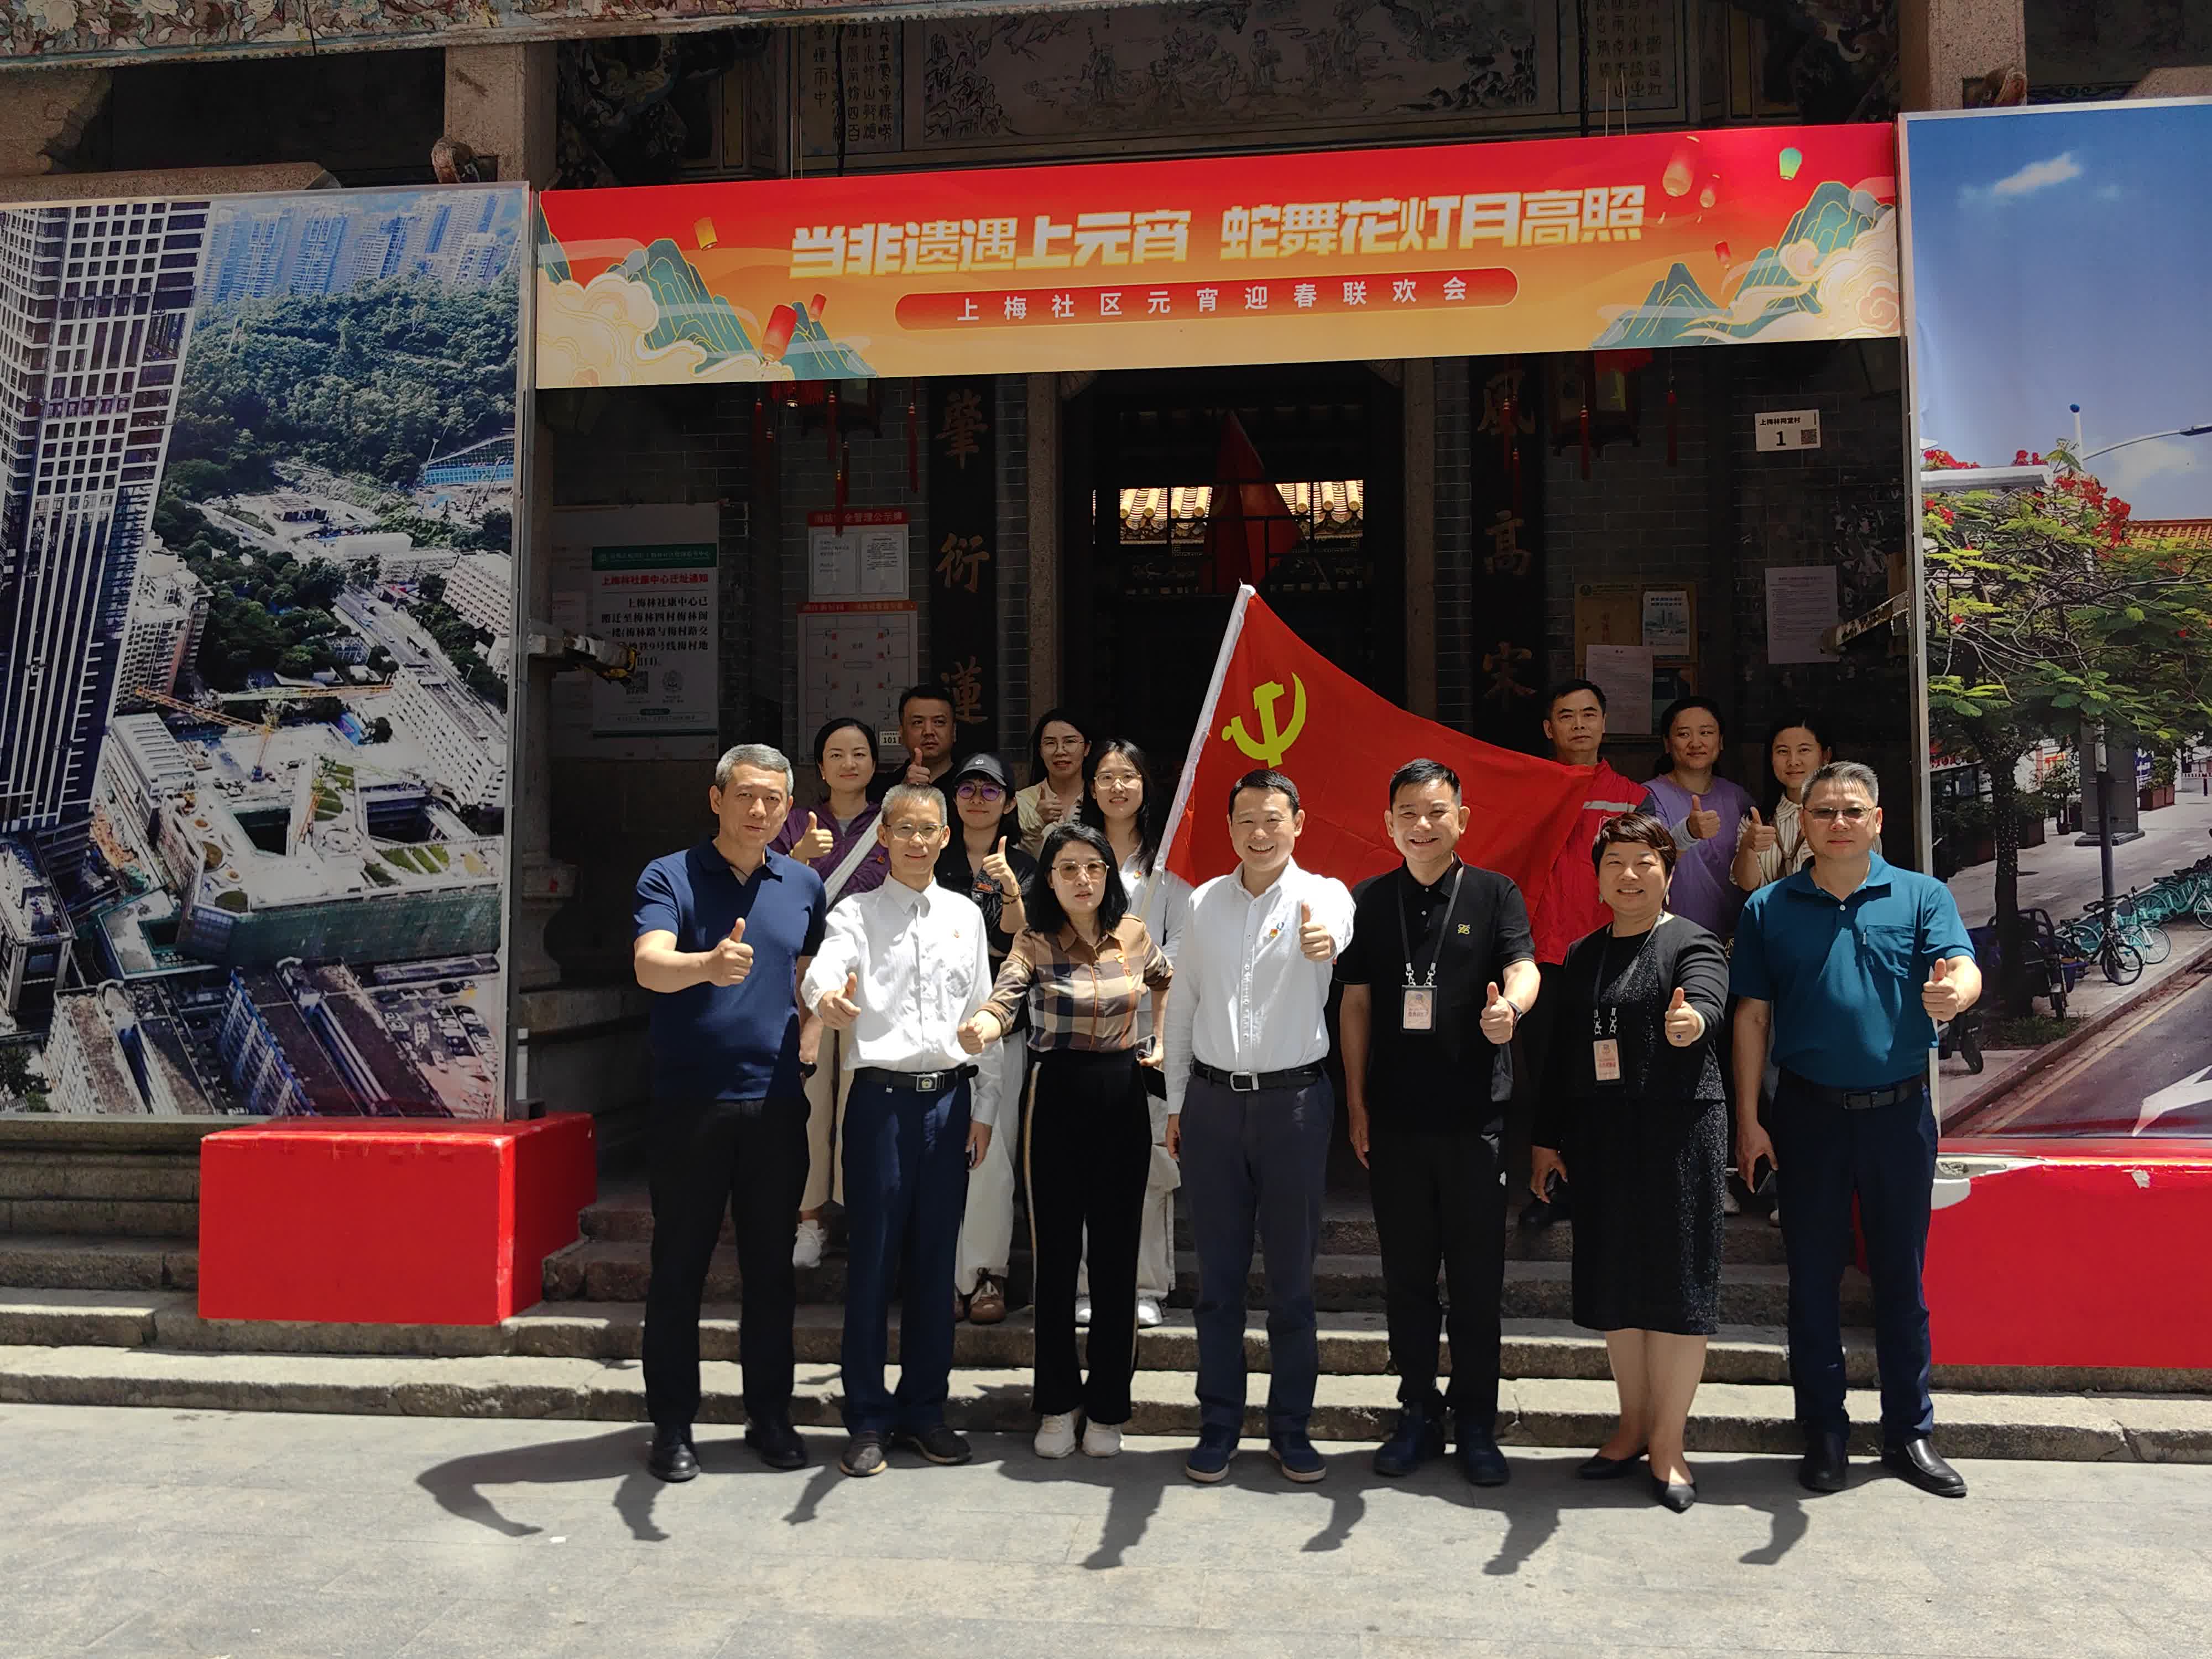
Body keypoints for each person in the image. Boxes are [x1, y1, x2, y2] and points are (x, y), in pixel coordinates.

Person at [1731, 761, 1982, 1499]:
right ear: (1802, 824)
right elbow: (1751, 1018)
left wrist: (1955, 994)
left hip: (1898, 1117)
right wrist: (1748, 1122)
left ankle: (1909, 1431)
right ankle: (1824, 1431)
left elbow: (1961, 967)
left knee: (1901, 1277)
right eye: (1823, 812)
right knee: (1811, 1279)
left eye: (1852, 811)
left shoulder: (1921, 895)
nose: (1837, 823)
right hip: (1806, 1116)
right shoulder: (1769, 907)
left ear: (1877, 821)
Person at [1337, 759, 1539, 1487]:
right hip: (1395, 1122)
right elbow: (1355, 1005)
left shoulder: (1494, 893)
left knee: (1478, 1281)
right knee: (1407, 1279)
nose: (1422, 826)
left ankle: (1477, 1420)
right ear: (1388, 823)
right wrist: (1355, 1103)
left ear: (1462, 818)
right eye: (1408, 814)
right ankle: (1417, 1412)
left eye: (1436, 812)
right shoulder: (1367, 900)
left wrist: (1509, 1007)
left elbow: (1524, 966)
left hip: (1474, 1122)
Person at [631, 743, 824, 1481]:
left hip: (774, 1104)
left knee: (771, 1270)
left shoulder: (802, 883)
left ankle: (769, 1416)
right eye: (745, 795)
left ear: (788, 807)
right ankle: (672, 1425)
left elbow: (812, 973)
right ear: (716, 799)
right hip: (691, 1105)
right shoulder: (670, 875)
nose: (758, 810)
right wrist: (706, 966)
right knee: (678, 1269)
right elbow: (649, 963)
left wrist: (812, 1035)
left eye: (773, 799)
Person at [1529, 813, 1730, 1513]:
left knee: (1676, 1292)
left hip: (1679, 1136)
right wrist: (1546, 1139)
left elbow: (1707, 1000)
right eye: (1614, 862)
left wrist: (1691, 1020)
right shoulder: (1582, 954)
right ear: (1597, 878)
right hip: (1603, 1139)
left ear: (1668, 872)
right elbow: (1561, 1056)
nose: (1629, 874)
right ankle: (1632, 1425)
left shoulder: (1692, 942)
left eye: (1645, 861)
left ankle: (1669, 1444)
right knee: (1615, 1285)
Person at [801, 784, 999, 1479]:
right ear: (883, 836)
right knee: (873, 1260)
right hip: (880, 1105)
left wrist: (985, 1108)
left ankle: (924, 1411)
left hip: (949, 1104)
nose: (917, 841)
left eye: (928, 830)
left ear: (946, 837)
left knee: (934, 1262)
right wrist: (825, 999)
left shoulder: (965, 915)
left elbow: (983, 1011)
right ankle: (866, 1416)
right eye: (904, 829)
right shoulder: (854, 913)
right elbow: (827, 970)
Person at [1164, 768, 1355, 1485]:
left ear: (1298, 823)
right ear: (1229, 827)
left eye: (1273, 818)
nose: (1259, 832)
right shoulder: (1205, 901)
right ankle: (1218, 1423)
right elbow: (1183, 1005)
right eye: (1245, 819)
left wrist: (1324, 940)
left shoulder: (1323, 895)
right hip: (1212, 1106)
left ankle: (1290, 1427)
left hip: (1293, 1106)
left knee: (1291, 1283)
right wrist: (1176, 1102)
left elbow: (1335, 929)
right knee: (1217, 1280)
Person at [959, 822, 1172, 1462]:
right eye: (1068, 868)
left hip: (1122, 1096)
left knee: (1115, 1259)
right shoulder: (1034, 939)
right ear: (1048, 880)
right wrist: (981, 1027)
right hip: (1053, 1097)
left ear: (1108, 875)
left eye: (1093, 867)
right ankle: (1055, 1404)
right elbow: (1006, 997)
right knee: (1054, 1259)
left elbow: (1165, 979)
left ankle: (1107, 1407)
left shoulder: (1133, 934)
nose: (1083, 879)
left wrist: (1158, 1038)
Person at [1517, 679, 1644, 1230]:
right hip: (1541, 954)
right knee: (1547, 1072)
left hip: (1610, 954)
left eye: (1589, 714)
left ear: (1604, 723)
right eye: (1566, 716)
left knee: (1609, 1071)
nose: (1579, 725)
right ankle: (1549, 1189)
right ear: (1549, 728)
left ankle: (1606, 1187)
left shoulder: (1631, 796)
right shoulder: (1525, 787)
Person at [1076, 737, 1191, 1331]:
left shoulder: (1167, 865)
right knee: (1082, 1165)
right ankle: (1085, 1285)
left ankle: (1145, 1286)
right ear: (1090, 788)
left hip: (1146, 1035)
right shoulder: (1072, 854)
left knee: (1145, 1169)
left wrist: (1139, 973)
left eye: (1128, 776)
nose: (1117, 787)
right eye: (1105, 776)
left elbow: (1184, 946)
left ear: (1146, 786)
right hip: (1078, 1033)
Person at [774, 718, 890, 1269]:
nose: (849, 763)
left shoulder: (891, 821)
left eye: (860, 753)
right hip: (807, 977)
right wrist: (798, 857)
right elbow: (765, 891)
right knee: (811, 1101)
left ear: (874, 763)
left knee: (863, 1100)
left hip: (876, 978)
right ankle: (809, 1220)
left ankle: (859, 1213)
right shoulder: (793, 822)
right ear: (819, 767)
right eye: (837, 754)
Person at [1727, 712, 1841, 1234]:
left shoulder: (1845, 816)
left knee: (1822, 1077)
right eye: (1782, 751)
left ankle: (1822, 1185)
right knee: (1776, 1079)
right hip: (1776, 965)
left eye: (1804, 750)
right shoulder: (1762, 817)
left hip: (1827, 965)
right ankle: (1791, 1184)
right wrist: (1751, 846)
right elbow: (1746, 883)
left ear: (1825, 756)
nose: (1792, 761)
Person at [934, 752, 1035, 1326]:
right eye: (967, 788)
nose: (977, 798)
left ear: (1010, 801)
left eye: (990, 789)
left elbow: (1023, 944)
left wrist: (1010, 893)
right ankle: (940, 1274)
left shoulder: (1025, 866)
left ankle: (986, 1274)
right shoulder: (931, 857)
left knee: (993, 1156)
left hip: (1001, 1028)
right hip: (931, 1029)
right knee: (935, 1153)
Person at [1639, 696, 1756, 943]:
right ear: (1667, 744)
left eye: (1706, 733)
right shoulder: (1649, 796)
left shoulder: (1738, 797)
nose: (1696, 743)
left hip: (1734, 938)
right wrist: (1688, 832)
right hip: (1671, 938)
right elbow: (1648, 862)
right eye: (1684, 734)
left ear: (1720, 741)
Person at [1014, 707, 1092, 857]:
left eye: (1070, 742)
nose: (1060, 751)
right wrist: (1036, 823)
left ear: (1087, 748)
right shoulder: (1021, 802)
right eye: (1050, 743)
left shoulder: (1101, 797)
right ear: (1040, 751)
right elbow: (1014, 861)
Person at [878, 686, 960, 804]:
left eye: (939, 722)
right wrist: (903, 793)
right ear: (902, 734)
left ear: (954, 731)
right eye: (918, 723)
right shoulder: (882, 789)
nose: (928, 731)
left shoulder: (970, 786)